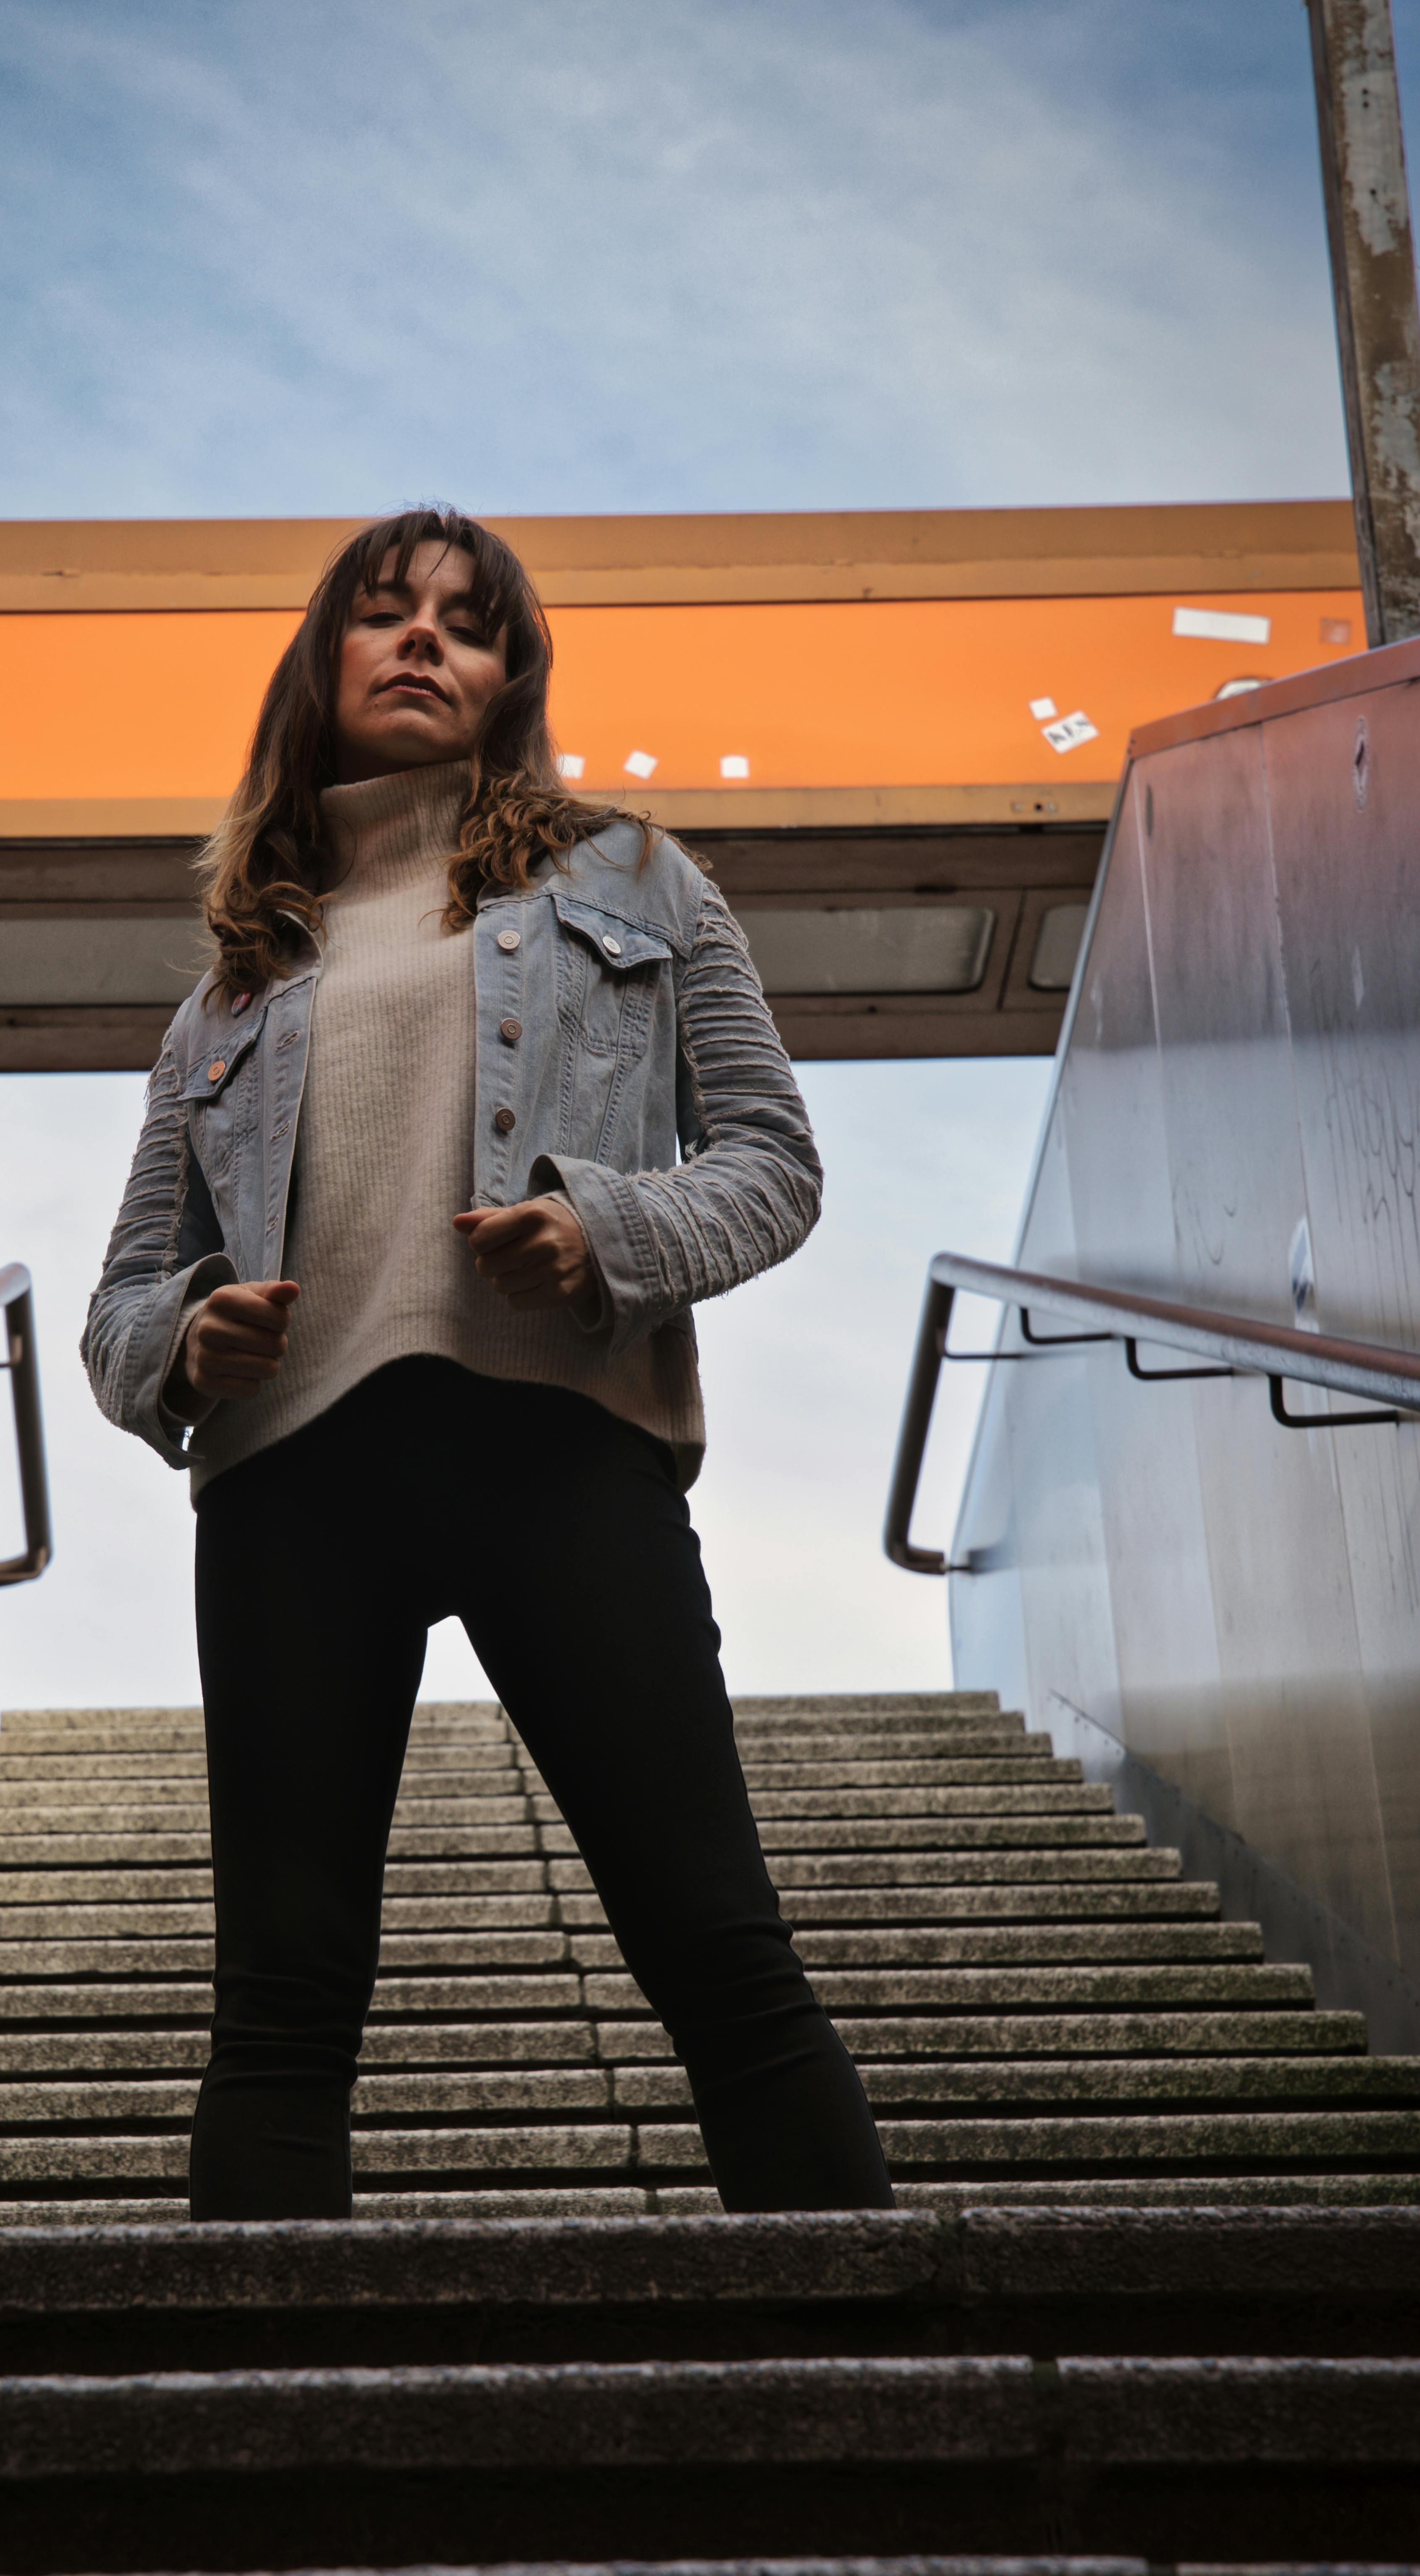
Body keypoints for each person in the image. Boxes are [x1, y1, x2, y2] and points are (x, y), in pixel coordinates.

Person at [82, 505, 891, 2222]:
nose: (426, 640)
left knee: (717, 1946)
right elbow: (121, 1301)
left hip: (556, 1445)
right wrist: (183, 1338)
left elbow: (774, 1160)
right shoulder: (233, 984)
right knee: (283, 1997)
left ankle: (890, 2409)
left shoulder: (633, 880)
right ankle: (261, 2465)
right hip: (298, 1476)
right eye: (385, 615)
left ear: (515, 673)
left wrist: (611, 1227)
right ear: (326, 662)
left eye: (468, 620)